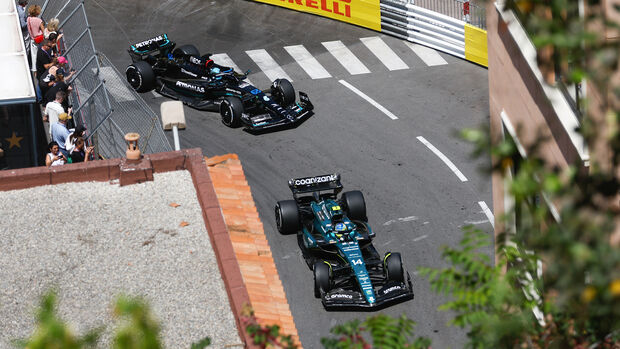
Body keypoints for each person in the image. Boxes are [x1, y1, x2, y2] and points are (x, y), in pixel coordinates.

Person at [26, 5, 44, 73]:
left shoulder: (28, 19)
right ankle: (40, 67)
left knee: (33, 55)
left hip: (32, 39)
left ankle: (34, 69)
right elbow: (43, 30)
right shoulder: (39, 20)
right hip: (39, 39)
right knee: (40, 54)